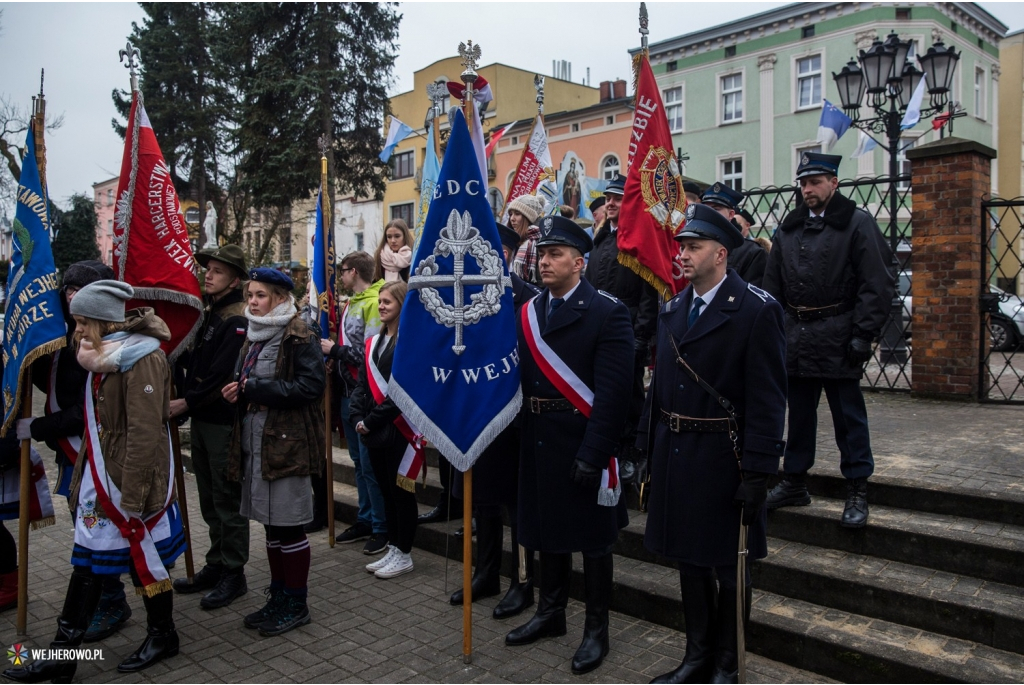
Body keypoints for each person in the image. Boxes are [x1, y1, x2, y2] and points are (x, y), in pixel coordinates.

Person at [4, 281, 186, 682]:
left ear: (106, 321)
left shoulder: (144, 359)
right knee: (88, 562)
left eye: (84, 322)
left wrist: (134, 496)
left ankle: (161, 635)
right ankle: (63, 653)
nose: (78, 331)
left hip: (130, 481)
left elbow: (144, 433)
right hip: (104, 473)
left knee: (143, 562)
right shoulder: (102, 354)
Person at [638, 204, 787, 684]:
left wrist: (760, 472)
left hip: (727, 458)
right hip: (677, 453)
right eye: (681, 245)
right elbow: (659, 389)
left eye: (693, 246)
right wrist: (647, 451)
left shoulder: (756, 309)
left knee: (729, 567)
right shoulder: (672, 308)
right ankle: (697, 656)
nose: (682, 254)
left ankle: (728, 663)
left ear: (721, 254)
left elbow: (768, 398)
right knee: (689, 564)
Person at [507, 215, 633, 675]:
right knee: (545, 532)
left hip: (581, 440)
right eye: (541, 254)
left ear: (580, 262)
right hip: (538, 439)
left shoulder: (607, 311)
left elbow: (616, 393)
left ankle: (596, 629)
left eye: (555, 254)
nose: (544, 261)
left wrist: (595, 452)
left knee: (595, 544)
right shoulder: (529, 313)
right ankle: (550, 612)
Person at [762, 152, 895, 528]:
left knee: (848, 419)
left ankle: (857, 487)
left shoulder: (857, 224)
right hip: (797, 336)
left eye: (815, 182)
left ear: (834, 183)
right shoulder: (787, 231)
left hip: (839, 336)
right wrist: (775, 335)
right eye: (803, 183)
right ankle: (794, 482)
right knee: (799, 416)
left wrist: (862, 335)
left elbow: (877, 283)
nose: (807, 189)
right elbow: (771, 291)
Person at [20, 260, 134, 642]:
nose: (71, 297)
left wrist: (37, 427)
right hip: (71, 450)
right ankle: (105, 596)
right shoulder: (63, 331)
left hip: (99, 449)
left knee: (98, 525)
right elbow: (46, 378)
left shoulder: (107, 339)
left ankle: (114, 600)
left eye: (79, 290)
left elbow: (91, 404)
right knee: (85, 524)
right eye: (67, 289)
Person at [222, 268, 326, 636]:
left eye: (261, 295)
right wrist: (238, 391)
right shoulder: (253, 334)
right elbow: (249, 382)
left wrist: (256, 389)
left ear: (281, 298)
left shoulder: (298, 334)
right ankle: (279, 595)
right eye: (250, 294)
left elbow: (311, 386)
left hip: (287, 444)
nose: (252, 301)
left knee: (289, 526)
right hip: (257, 442)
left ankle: (296, 602)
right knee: (270, 524)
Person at [449, 224, 540, 617]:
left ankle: (522, 582)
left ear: (504, 255)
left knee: (518, 508)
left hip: (518, 420)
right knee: (482, 501)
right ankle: (485, 573)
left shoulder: (530, 299)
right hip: (479, 416)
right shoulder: (464, 298)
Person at [170, 245, 251, 609]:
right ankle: (216, 563)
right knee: (208, 497)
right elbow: (194, 357)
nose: (208, 275)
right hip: (203, 419)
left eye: (217, 271)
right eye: (208, 270)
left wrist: (186, 401)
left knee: (226, 499)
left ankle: (234, 572)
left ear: (235, 279)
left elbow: (220, 373)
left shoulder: (236, 318)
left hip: (221, 421)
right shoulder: (211, 312)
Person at [583, 173, 656, 487]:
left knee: (630, 394)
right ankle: (610, 444)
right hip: (600, 325)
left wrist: (640, 336)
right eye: (608, 198)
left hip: (628, 324)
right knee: (605, 391)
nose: (611, 203)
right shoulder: (600, 238)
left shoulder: (637, 238)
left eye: (617, 199)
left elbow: (649, 293)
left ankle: (632, 451)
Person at [352, 281, 422, 579]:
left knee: (401, 494)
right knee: (385, 491)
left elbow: (402, 393)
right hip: (375, 429)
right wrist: (358, 414)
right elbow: (362, 385)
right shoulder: (374, 341)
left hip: (399, 429)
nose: (381, 306)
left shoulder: (410, 343)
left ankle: (405, 553)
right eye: (379, 301)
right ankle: (394, 546)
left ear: (402, 305)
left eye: (387, 302)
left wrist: (371, 420)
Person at [321, 251, 388, 554]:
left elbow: (371, 356)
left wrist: (335, 351)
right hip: (347, 393)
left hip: (367, 398)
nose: (339, 277)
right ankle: (365, 518)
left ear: (355, 272)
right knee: (359, 464)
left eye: (342, 271)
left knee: (371, 466)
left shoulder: (374, 303)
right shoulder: (351, 303)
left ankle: (381, 526)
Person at [701, 183, 767, 288]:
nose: (710, 214)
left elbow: (752, 295)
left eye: (716, 209)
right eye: (706, 209)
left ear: (731, 214)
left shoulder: (751, 252)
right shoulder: (695, 246)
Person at [508, 194, 545, 285]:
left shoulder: (539, 242)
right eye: (510, 214)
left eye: (517, 214)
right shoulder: (513, 241)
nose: (512, 218)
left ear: (528, 217)